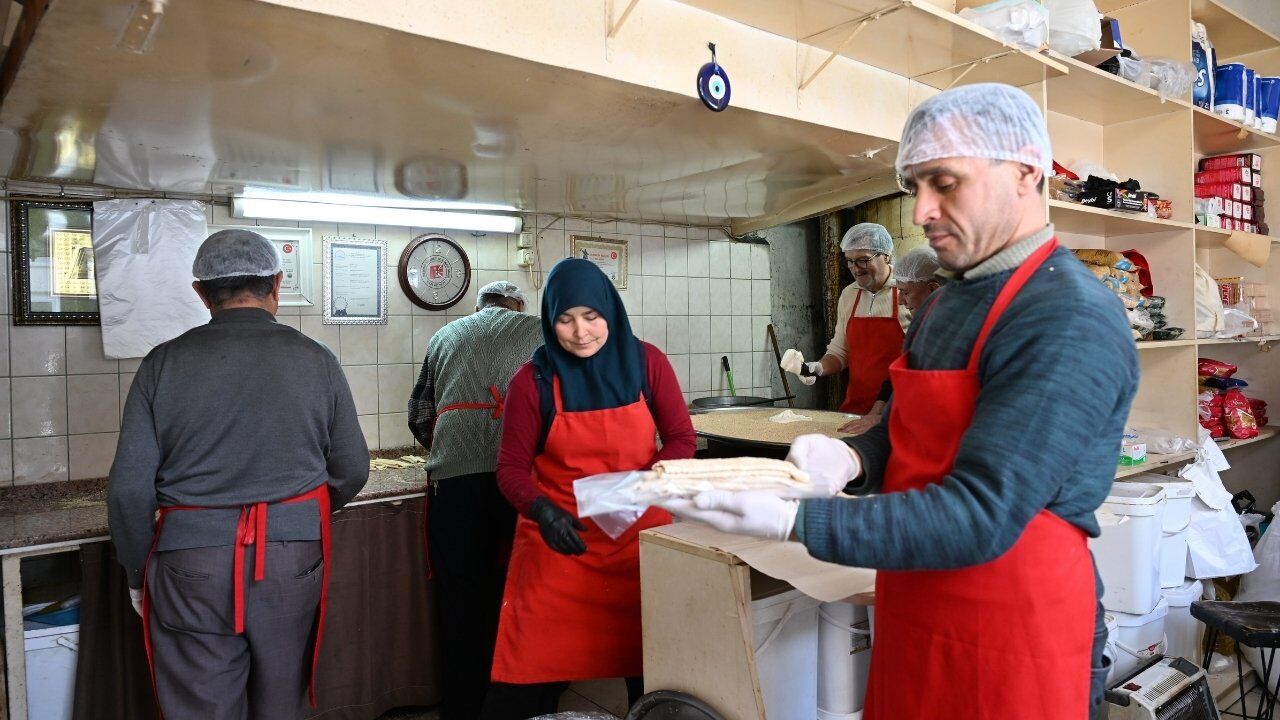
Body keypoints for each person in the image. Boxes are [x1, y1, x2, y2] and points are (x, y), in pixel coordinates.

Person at [670, 83, 1138, 719]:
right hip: (918, 602)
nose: (920, 212)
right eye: (914, 185)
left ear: (1026, 172)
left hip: (1014, 627)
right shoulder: (949, 301)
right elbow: (908, 429)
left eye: (944, 183)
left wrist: (795, 522)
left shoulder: (1066, 315)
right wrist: (854, 457)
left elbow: (981, 515)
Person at [108, 229, 369, 720]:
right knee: (282, 698)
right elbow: (352, 467)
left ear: (201, 293)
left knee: (201, 706)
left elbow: (127, 492)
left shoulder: (162, 363)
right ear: (277, 282)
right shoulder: (318, 360)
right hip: (292, 562)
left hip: (190, 564)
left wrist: (136, 574)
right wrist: (295, 517)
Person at [481, 258, 696, 720]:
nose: (580, 332)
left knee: (654, 681)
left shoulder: (647, 363)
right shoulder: (532, 380)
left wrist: (643, 483)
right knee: (521, 687)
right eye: (565, 319)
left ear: (610, 312)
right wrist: (542, 511)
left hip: (639, 546)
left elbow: (681, 438)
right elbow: (511, 468)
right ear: (548, 319)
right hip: (562, 545)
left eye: (591, 316)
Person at [407, 280, 542, 720]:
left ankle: (464, 707)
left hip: (456, 482)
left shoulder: (445, 335)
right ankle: (522, 703)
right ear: (517, 305)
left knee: (461, 596)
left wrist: (450, 447)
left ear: (478, 306)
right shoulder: (539, 329)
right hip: (523, 480)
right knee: (525, 593)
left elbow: (421, 413)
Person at [785, 223, 910, 430]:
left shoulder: (906, 293)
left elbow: (918, 361)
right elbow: (840, 351)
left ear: (886, 256)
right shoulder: (849, 295)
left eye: (863, 260)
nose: (855, 268)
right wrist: (817, 368)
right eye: (850, 261)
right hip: (855, 410)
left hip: (898, 412)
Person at [837, 245, 946, 436]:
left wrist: (886, 418)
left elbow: (934, 395)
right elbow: (897, 377)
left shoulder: (955, 331)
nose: (902, 300)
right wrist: (876, 414)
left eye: (906, 293)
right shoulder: (923, 326)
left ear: (933, 289)